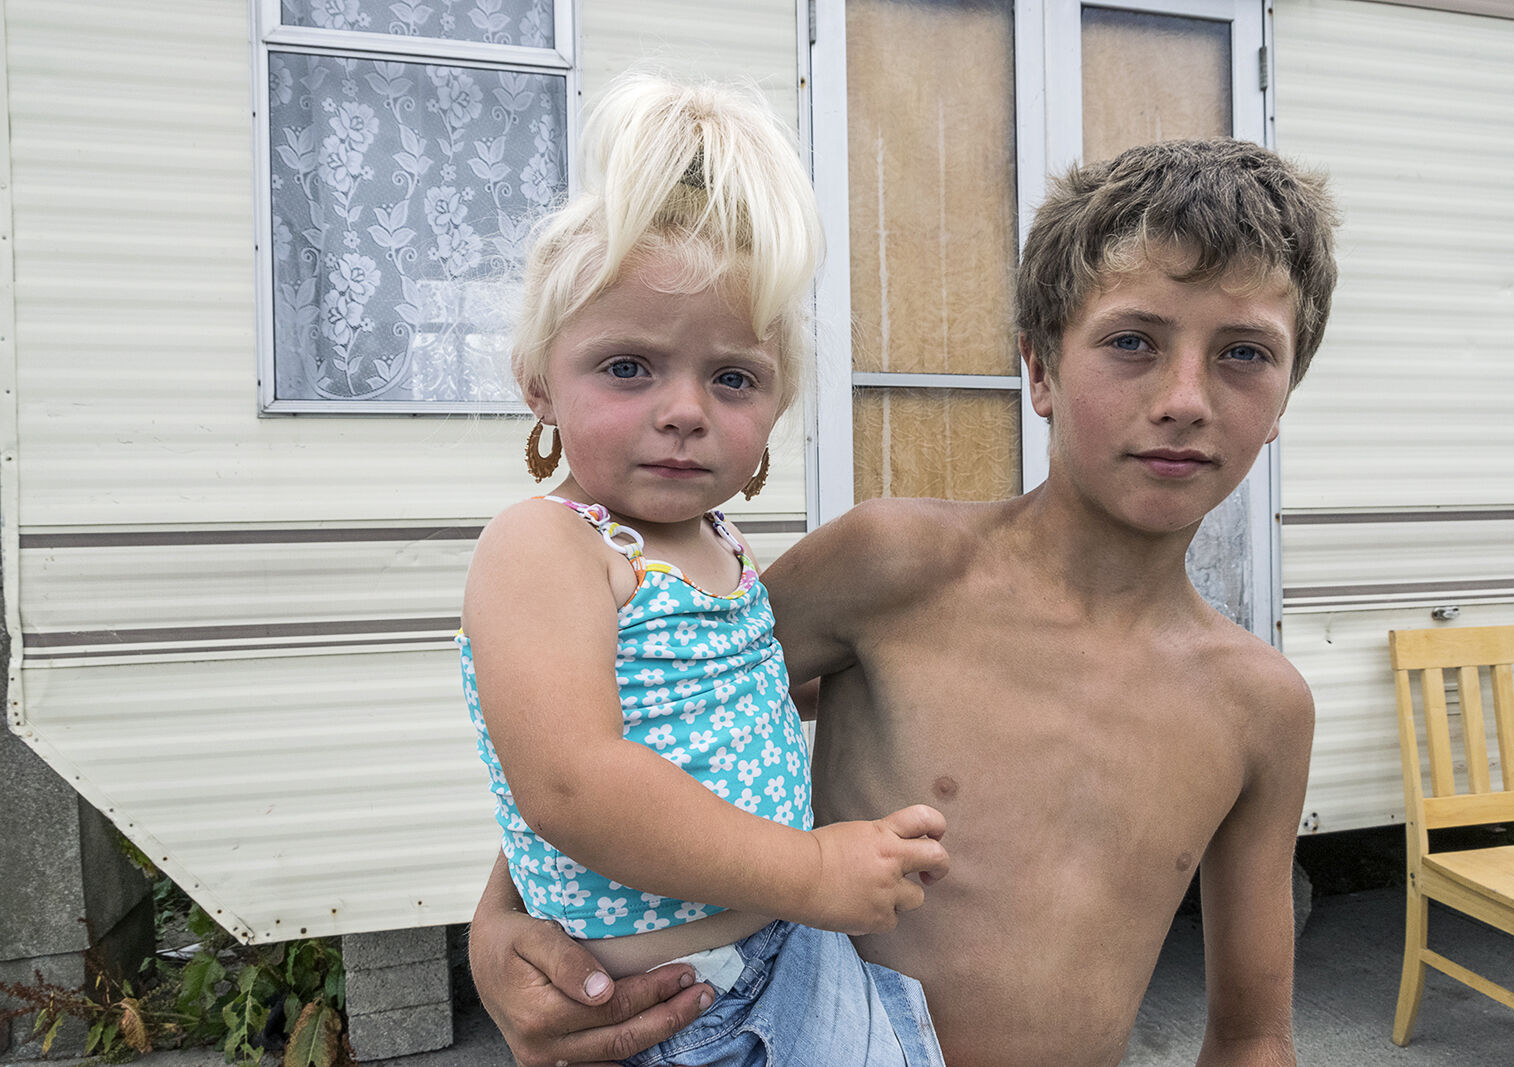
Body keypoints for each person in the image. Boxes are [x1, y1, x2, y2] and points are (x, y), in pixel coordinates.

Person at [468, 137, 1340, 1067]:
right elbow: (644, 711)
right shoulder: (895, 567)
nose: (1184, 398)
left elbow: (1252, 1035)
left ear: (1285, 396)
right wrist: (499, 927)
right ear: (1039, 370)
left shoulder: (1261, 708)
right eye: (1132, 341)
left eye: (1245, 353)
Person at [457, 72, 952, 1067]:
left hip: (784, 950)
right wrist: (809, 866)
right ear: (537, 381)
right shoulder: (544, 545)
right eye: (628, 367)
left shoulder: (715, 543)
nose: (684, 408)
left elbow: (714, 699)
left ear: (773, 411)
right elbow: (570, 779)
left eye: (731, 377)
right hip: (678, 1007)